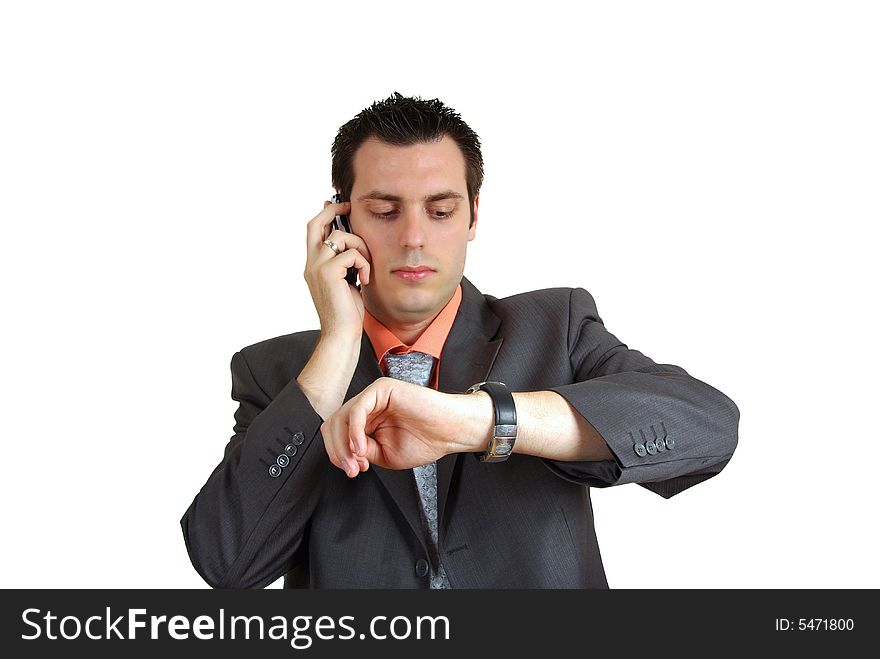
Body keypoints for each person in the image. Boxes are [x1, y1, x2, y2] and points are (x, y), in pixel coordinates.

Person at [180, 92, 739, 589]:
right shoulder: (276, 373)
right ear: (340, 223)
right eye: (384, 211)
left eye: (441, 210)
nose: (415, 237)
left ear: (473, 215)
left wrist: (478, 421)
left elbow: (708, 426)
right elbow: (227, 564)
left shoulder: (555, 327)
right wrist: (335, 350)